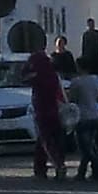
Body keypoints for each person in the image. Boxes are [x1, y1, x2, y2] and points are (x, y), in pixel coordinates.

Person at [26, 40, 67, 182]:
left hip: (42, 110)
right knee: (51, 138)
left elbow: (24, 77)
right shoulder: (52, 74)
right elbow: (59, 92)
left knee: (45, 139)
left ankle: (57, 165)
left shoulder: (37, 76)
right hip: (54, 110)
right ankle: (41, 168)